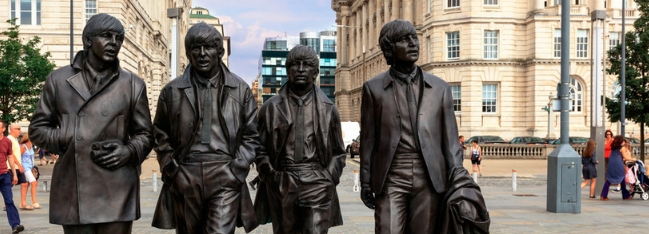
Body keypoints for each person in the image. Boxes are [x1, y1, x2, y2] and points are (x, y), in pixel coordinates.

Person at [29, 13, 154, 234]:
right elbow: (37, 130)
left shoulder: (133, 84)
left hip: (117, 187)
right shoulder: (58, 80)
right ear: (88, 40)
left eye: (119, 38)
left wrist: (129, 151)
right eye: (106, 36)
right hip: (75, 190)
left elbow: (146, 134)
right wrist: (67, 136)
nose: (113, 43)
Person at [151, 22, 259, 233]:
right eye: (195, 48)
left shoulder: (240, 90)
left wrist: (237, 169)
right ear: (189, 52)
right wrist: (172, 169)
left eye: (208, 47)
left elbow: (252, 135)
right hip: (186, 173)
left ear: (219, 52)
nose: (202, 54)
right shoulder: (172, 91)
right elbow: (159, 133)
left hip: (225, 173)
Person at [359, 19, 464, 233]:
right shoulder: (373, 88)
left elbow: (451, 141)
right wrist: (366, 180)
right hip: (391, 174)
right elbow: (369, 140)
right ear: (389, 49)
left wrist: (458, 178)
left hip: (430, 175)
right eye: (404, 40)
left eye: (413, 38)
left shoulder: (440, 88)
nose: (413, 43)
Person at [254, 45, 346, 233]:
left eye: (308, 65)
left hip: (317, 181)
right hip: (283, 180)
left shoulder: (329, 109)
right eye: (296, 64)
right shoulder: (270, 108)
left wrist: (328, 178)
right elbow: (259, 148)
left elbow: (338, 152)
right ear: (288, 71)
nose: (302, 69)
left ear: (316, 71)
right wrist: (272, 177)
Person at [600, 135, 632, 200]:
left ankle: (603, 195)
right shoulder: (622, 148)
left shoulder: (613, 147)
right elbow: (625, 157)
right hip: (618, 164)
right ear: (620, 141)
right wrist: (634, 159)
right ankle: (625, 196)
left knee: (609, 179)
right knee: (622, 178)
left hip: (611, 164)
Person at [19, 133, 40, 210]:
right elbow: (18, 156)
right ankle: (34, 202)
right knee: (34, 183)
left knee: (26, 184)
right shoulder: (23, 147)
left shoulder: (31, 146)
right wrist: (19, 166)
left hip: (30, 167)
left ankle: (22, 202)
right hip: (25, 167)